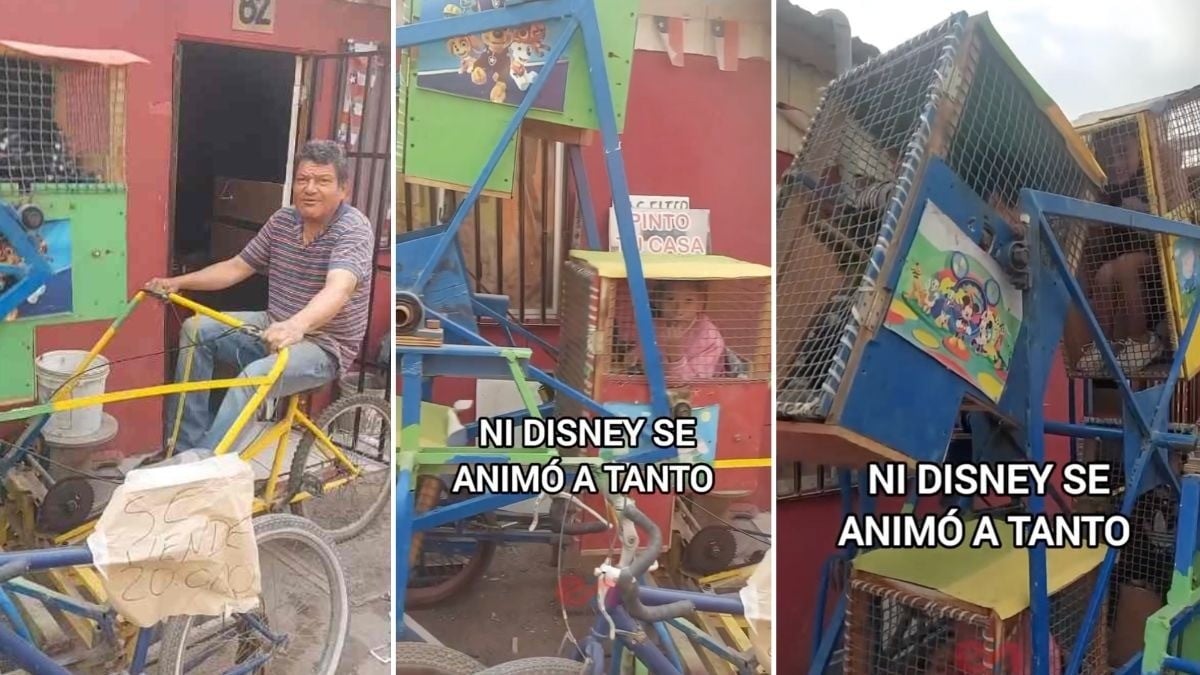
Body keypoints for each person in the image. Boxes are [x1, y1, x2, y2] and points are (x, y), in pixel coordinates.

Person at [148, 141, 375, 454]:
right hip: (273, 324)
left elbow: (339, 288)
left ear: (343, 190)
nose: (310, 189)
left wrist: (296, 326)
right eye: (303, 179)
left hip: (323, 346)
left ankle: (206, 464)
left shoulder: (353, 229)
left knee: (253, 377)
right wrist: (176, 283)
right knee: (195, 330)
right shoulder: (283, 220)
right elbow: (237, 267)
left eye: (322, 181)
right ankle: (183, 447)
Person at [1076, 128, 1164, 375]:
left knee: (1125, 264)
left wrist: (1136, 209)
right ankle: (1103, 344)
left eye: (1123, 153)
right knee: (1104, 273)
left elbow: (1162, 219)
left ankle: (1143, 341)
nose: (1116, 163)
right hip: (1125, 262)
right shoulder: (1108, 191)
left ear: (1141, 150)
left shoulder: (1150, 179)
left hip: (1161, 262)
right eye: (1109, 158)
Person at [625, 280, 726, 380]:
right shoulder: (652, 326)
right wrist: (635, 356)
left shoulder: (710, 337)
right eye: (670, 299)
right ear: (658, 302)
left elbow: (696, 381)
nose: (678, 308)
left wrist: (675, 352)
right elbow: (642, 354)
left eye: (688, 300)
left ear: (700, 304)